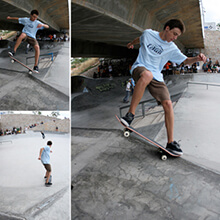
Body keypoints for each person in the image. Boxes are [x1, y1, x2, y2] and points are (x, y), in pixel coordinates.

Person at [120, 19, 206, 155]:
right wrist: (131, 43)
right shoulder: (148, 34)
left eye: (177, 36)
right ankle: (130, 115)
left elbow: (185, 61)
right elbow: (140, 39)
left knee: (168, 103)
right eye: (174, 34)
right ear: (167, 28)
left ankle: (170, 143)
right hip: (140, 68)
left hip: (156, 75)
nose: (175, 38)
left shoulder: (172, 47)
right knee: (147, 75)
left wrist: (197, 58)